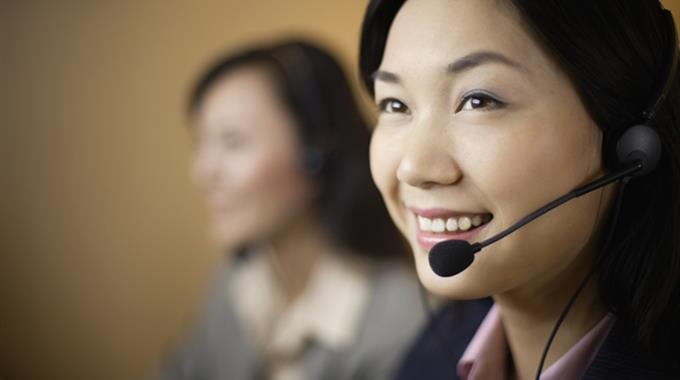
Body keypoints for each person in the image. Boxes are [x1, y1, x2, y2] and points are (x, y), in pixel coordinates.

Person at [358, 0, 680, 379]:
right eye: (394, 104)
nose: (413, 168)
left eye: (479, 100)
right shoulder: (435, 348)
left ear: (628, 142)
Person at [160, 39, 425, 380]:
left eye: (232, 142)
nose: (202, 171)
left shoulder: (402, 323)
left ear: (316, 153)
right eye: (201, 142)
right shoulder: (235, 281)